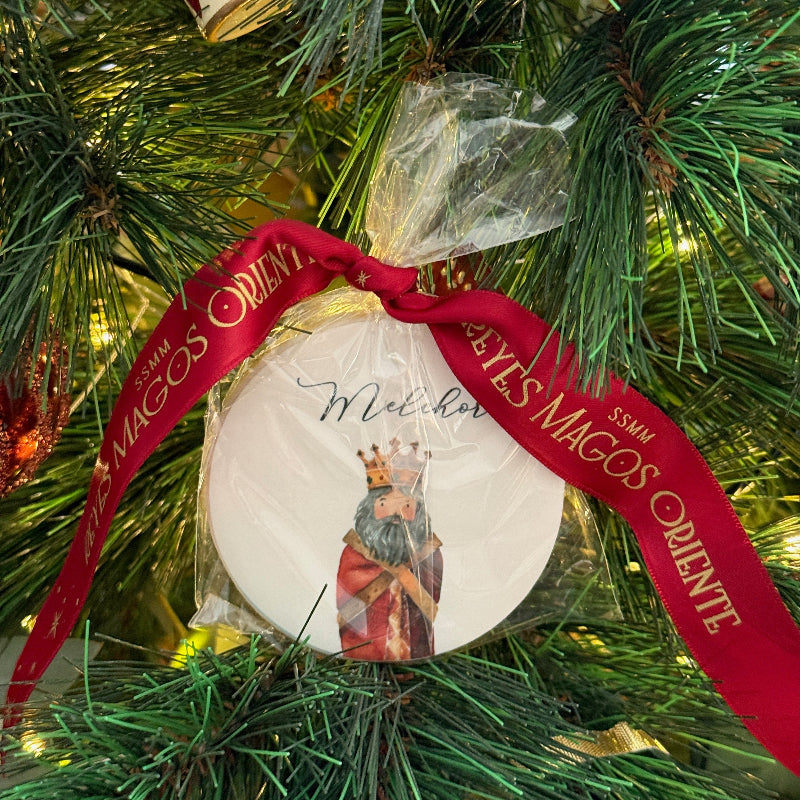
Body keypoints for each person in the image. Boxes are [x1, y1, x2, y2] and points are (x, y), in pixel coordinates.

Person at [336, 440, 442, 661]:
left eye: (406, 504)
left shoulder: (428, 552)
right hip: (365, 646)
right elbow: (347, 602)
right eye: (384, 503)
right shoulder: (355, 553)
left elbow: (431, 600)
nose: (397, 512)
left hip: (414, 645)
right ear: (370, 509)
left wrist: (406, 577)